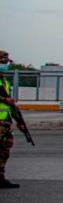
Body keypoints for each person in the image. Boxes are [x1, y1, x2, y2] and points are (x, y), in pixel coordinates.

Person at [0, 50, 28, 189]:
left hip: (4, 122)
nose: (5, 64)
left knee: (4, 150)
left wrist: (19, 122)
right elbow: (6, 100)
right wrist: (5, 99)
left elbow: (9, 105)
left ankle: (0, 178)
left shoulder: (3, 81)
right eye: (3, 62)